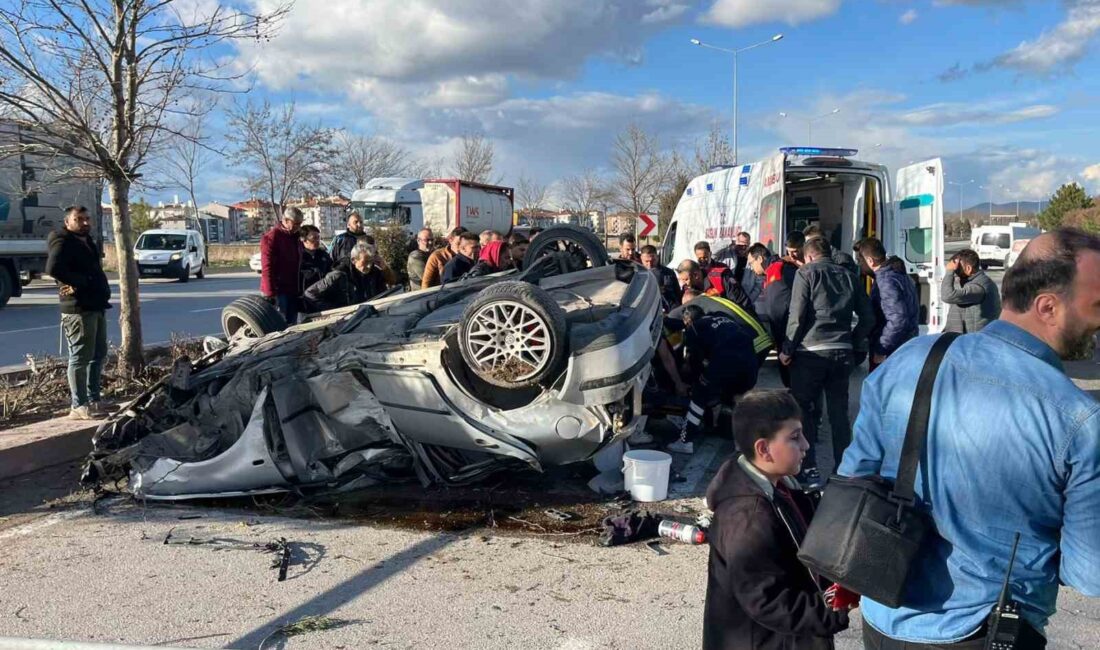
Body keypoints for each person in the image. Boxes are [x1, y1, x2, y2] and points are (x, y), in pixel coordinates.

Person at [840, 228, 1100, 649]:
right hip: (988, 629)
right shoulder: (1078, 418)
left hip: (885, 615)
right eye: (1095, 306)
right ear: (1048, 307)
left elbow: (855, 477)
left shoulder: (910, 359)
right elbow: (1089, 572)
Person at [704, 390, 854, 650]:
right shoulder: (747, 517)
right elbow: (767, 600)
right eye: (795, 438)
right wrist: (833, 609)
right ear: (763, 449)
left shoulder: (781, 487)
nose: (806, 445)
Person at [781, 237, 874, 489]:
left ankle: (808, 470)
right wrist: (852, 343)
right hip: (841, 354)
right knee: (839, 415)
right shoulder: (849, 276)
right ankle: (843, 471)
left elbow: (797, 314)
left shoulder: (805, 273)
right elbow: (868, 317)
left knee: (805, 413)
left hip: (810, 353)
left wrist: (787, 348)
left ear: (809, 256)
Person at [45, 206, 111, 420]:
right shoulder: (62, 240)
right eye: (78, 219)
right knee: (80, 357)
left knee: (98, 354)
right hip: (78, 308)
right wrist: (81, 283)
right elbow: (53, 268)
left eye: (86, 218)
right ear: (67, 222)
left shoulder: (87, 239)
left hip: (95, 305)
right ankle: (78, 405)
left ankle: (94, 400)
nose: (84, 222)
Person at [667, 305, 760, 455]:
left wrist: (698, 379)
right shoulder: (721, 315)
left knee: (699, 395)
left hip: (725, 360)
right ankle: (741, 444)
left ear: (688, 320)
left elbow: (695, 360)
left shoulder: (694, 328)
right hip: (750, 361)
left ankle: (685, 442)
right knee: (739, 399)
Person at [856, 237, 919, 371]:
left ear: (870, 261)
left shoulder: (885, 281)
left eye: (859, 261)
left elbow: (898, 318)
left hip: (892, 351)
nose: (859, 265)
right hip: (905, 345)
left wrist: (881, 348)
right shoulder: (899, 274)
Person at [747, 243, 798, 387]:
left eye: (751, 263)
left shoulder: (782, 268)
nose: (751, 268)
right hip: (782, 334)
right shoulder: (771, 271)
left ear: (760, 258)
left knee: (794, 380)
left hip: (789, 334)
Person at [303, 242, 389, 311]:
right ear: (354, 260)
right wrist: (334, 310)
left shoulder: (374, 273)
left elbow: (386, 291)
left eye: (371, 261)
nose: (369, 266)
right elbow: (310, 293)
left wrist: (384, 268)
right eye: (366, 262)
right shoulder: (338, 275)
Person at [260, 207, 304, 325]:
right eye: (295, 224)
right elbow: (267, 267)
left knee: (292, 324)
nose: (298, 227)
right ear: (285, 220)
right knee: (279, 325)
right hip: (278, 291)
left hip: (293, 289)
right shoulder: (272, 237)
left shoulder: (295, 237)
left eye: (300, 224)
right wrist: (270, 293)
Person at [942, 248, 1001, 333]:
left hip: (973, 341)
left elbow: (947, 296)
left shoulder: (979, 287)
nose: (955, 272)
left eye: (958, 268)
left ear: (968, 268)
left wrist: (949, 272)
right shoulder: (975, 282)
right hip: (965, 339)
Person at [677, 259, 754, 312]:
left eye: (686, 279)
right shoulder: (687, 289)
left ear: (696, 275)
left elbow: (743, 303)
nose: (684, 283)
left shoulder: (720, 277)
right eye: (682, 280)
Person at [640, 244, 680, 311]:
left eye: (652, 261)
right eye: (646, 261)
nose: (650, 264)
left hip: (671, 309)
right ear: (641, 258)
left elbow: (677, 293)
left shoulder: (669, 273)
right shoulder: (639, 275)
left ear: (657, 257)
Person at [298, 225, 333, 296]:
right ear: (304, 240)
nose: (317, 241)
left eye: (318, 238)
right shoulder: (299, 257)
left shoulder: (323, 254)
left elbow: (331, 269)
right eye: (314, 238)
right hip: (307, 294)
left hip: (325, 292)